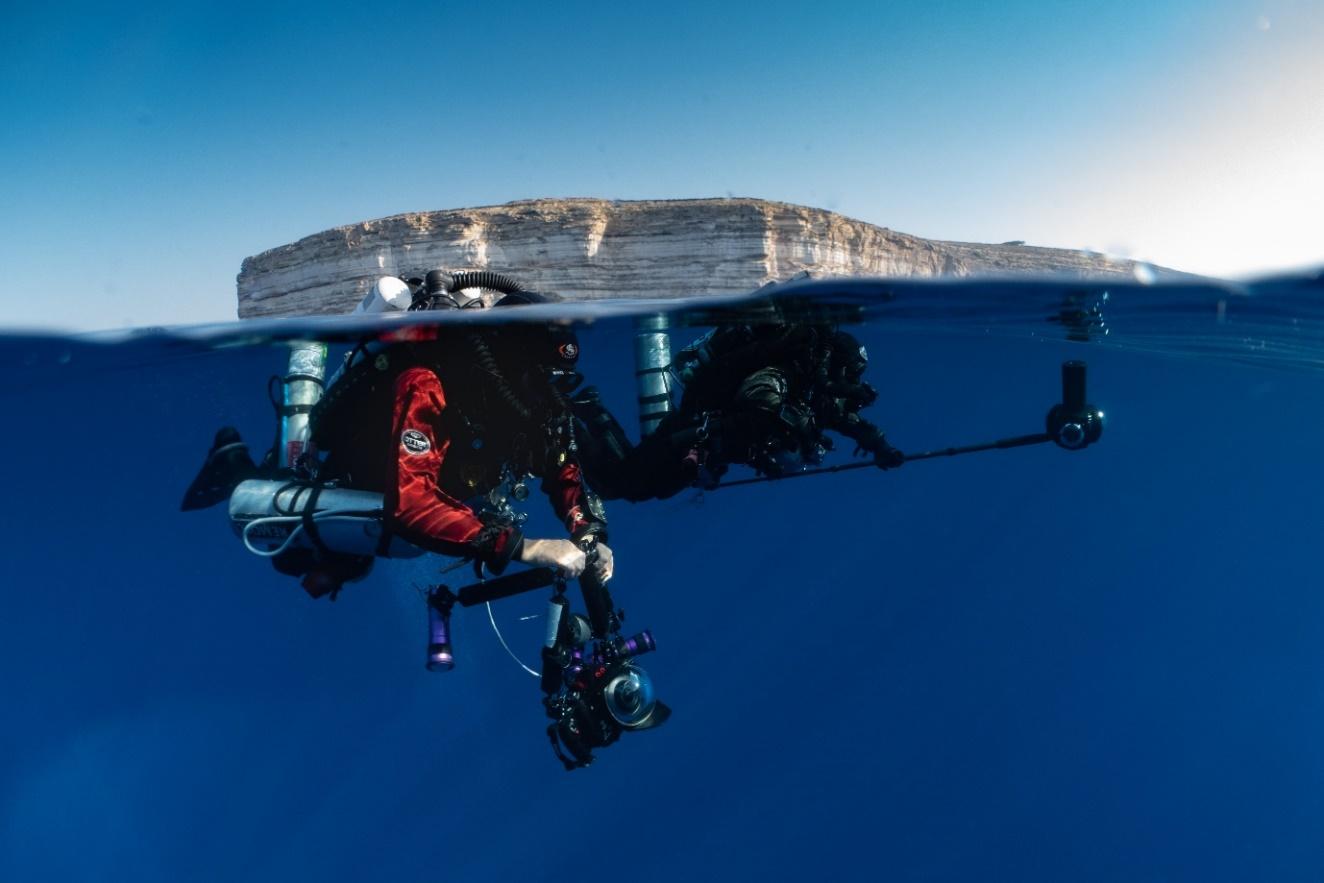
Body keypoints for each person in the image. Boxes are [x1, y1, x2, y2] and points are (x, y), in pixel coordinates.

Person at [303, 291, 612, 597]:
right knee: (311, 562)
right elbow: (412, 503)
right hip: (362, 489)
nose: (550, 401)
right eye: (541, 383)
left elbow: (561, 469)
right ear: (511, 364)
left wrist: (588, 531)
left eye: (559, 384)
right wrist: (524, 547)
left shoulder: (531, 403)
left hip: (449, 498)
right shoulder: (428, 382)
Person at [572, 321, 904, 502]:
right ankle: (575, 421)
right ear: (830, 364)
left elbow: (848, 421)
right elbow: (758, 402)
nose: (848, 386)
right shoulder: (783, 375)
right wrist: (791, 425)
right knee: (617, 485)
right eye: (847, 375)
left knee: (644, 489)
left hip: (700, 447)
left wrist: (881, 447)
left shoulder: (812, 393)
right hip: (689, 432)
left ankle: (588, 411)